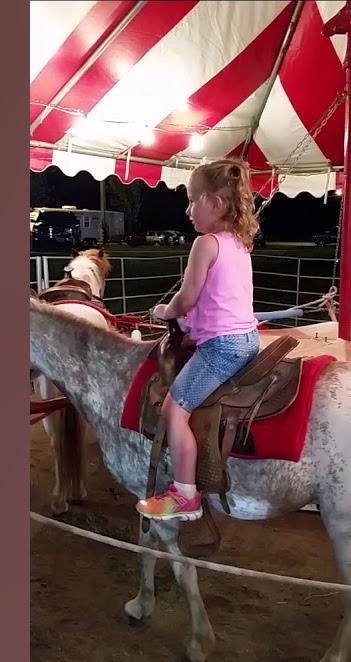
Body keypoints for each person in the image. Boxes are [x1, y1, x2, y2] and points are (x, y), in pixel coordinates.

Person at [136, 159, 261, 521]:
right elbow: (217, 299)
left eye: (193, 200)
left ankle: (184, 494)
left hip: (223, 347)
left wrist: (165, 312)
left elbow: (187, 298)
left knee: (175, 410)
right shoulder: (238, 242)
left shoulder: (205, 244)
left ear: (216, 204)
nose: (188, 210)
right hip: (247, 339)